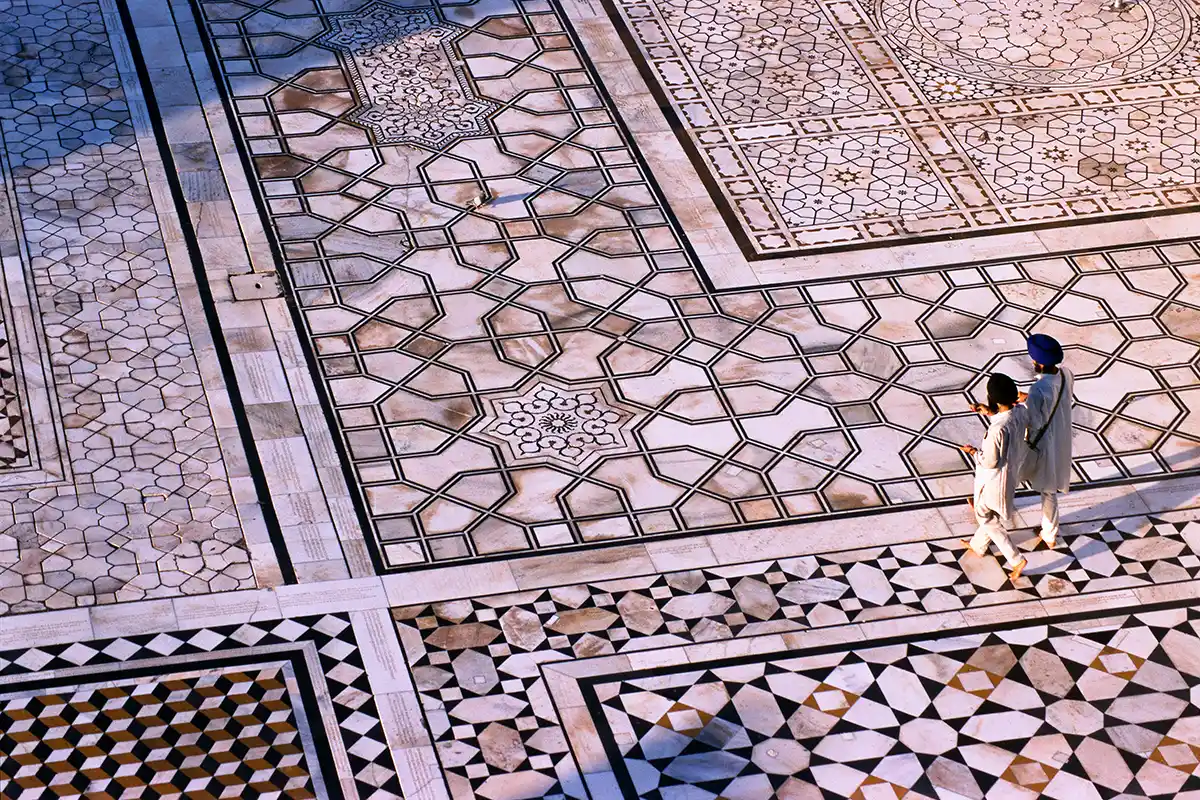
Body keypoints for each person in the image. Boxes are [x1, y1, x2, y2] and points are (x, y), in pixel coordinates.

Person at [961, 373, 1029, 582]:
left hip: (993, 480)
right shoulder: (1020, 412)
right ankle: (978, 545)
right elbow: (1007, 417)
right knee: (988, 515)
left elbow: (990, 461)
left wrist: (973, 452)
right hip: (1010, 474)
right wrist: (989, 412)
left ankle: (1016, 559)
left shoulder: (997, 429)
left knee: (987, 518)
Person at [1019, 333, 1073, 549]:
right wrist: (1028, 398)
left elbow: (1035, 421)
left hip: (1043, 443)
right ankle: (1049, 533)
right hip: (1060, 438)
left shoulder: (1039, 389)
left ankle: (986, 507)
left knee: (1014, 472)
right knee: (1047, 486)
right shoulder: (1066, 374)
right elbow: (1056, 400)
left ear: (1038, 362)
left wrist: (1016, 408)